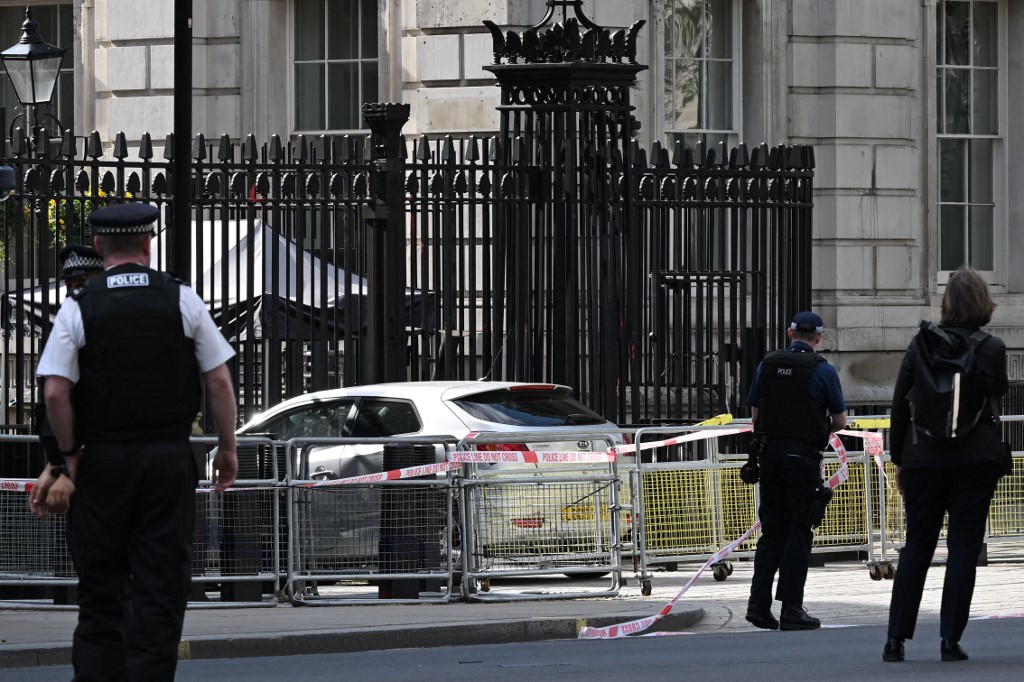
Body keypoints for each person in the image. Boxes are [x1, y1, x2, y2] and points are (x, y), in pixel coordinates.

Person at [27, 203, 239, 681]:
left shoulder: (79, 306)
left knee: (100, 592)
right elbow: (220, 382)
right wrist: (227, 448)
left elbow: (56, 391)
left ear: (99, 248)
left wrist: (68, 456)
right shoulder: (181, 299)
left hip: (100, 461)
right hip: (166, 459)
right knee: (159, 589)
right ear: (148, 245)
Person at [882, 266, 1007, 663]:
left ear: (946, 302)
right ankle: (950, 639)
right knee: (964, 547)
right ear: (984, 303)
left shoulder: (919, 345)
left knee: (917, 546)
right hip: (975, 457)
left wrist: (900, 459)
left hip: (923, 457)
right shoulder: (992, 347)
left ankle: (895, 640)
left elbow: (900, 407)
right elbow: (998, 393)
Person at [744, 310, 847, 631]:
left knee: (771, 531)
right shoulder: (823, 371)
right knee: (800, 530)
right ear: (818, 338)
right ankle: (791, 607)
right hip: (802, 458)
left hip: (770, 457)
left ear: (790, 334)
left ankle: (758, 606)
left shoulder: (767, 364)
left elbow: (756, 415)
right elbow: (840, 422)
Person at [36, 245, 105, 466]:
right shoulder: (67, 322)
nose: (74, 293)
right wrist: (57, 463)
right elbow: (52, 396)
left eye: (82, 283)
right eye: (70, 285)